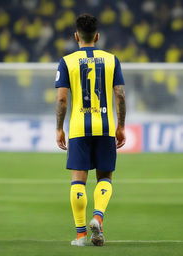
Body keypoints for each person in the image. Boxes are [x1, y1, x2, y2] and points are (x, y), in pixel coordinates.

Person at [55, 13, 126, 247]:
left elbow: (62, 100)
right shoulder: (111, 60)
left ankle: (81, 235)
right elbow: (120, 95)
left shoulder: (67, 62)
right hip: (105, 127)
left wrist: (59, 128)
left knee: (78, 181)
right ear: (97, 36)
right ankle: (98, 217)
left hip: (78, 127)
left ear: (76, 36)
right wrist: (121, 125)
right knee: (105, 177)